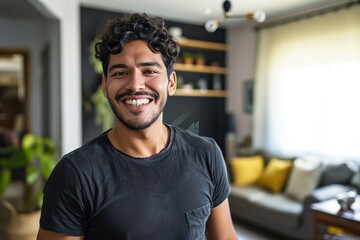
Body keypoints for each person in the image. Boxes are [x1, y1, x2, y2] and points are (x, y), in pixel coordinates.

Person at [37, 13, 237, 240]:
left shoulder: (207, 154)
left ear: (171, 83)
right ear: (105, 86)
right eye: (120, 73)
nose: (135, 85)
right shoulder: (74, 174)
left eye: (149, 71)